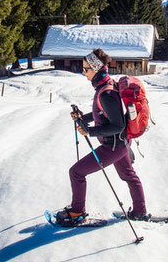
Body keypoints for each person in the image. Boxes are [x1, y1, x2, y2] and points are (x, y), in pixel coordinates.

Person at [56, 48, 147, 226]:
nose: (83, 72)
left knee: (76, 172)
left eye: (86, 69)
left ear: (96, 69)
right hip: (120, 145)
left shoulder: (105, 93)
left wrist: (90, 131)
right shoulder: (106, 86)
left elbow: (118, 125)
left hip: (112, 147)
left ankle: (77, 213)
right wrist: (84, 118)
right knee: (129, 176)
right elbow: (103, 114)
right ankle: (139, 211)